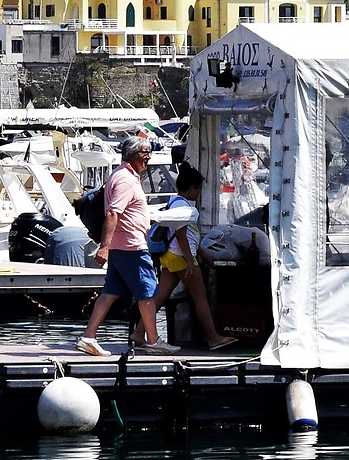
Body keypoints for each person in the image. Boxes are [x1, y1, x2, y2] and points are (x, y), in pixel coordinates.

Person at [78, 138, 169, 356]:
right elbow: (113, 212)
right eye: (145, 152)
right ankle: (153, 341)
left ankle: (88, 337)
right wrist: (104, 247)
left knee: (110, 293)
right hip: (131, 247)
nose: (148, 156)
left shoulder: (120, 175)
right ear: (132, 154)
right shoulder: (126, 180)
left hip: (121, 246)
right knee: (147, 294)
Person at [150, 163, 238, 350]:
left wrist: (203, 254)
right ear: (191, 187)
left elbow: (190, 235)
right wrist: (190, 261)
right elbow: (181, 235)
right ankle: (213, 337)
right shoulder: (183, 207)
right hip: (181, 257)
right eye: (198, 189)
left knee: (160, 297)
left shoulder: (174, 202)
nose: (198, 193)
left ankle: (139, 332)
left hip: (171, 256)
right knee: (200, 296)